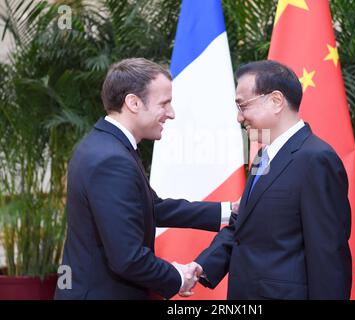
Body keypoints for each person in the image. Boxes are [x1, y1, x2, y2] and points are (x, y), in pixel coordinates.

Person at [55, 58, 233, 300]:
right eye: (164, 103)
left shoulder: (107, 145)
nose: (171, 114)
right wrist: (177, 277)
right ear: (133, 102)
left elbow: (152, 207)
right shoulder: (111, 159)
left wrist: (228, 211)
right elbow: (127, 258)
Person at [190, 60, 352, 299]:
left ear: (276, 101)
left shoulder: (316, 159)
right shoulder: (262, 157)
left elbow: (327, 254)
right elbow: (241, 226)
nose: (238, 117)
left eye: (242, 105)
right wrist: (202, 267)